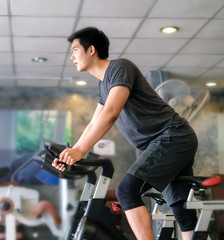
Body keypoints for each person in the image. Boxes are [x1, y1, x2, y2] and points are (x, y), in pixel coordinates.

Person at [52, 27, 198, 240]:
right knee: (181, 209)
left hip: (171, 136)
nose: (72, 56)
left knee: (127, 192)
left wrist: (80, 150)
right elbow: (94, 123)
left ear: (91, 49)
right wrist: (73, 152)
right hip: (168, 141)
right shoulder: (103, 86)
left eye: (75, 50)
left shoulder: (120, 67)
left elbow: (111, 114)